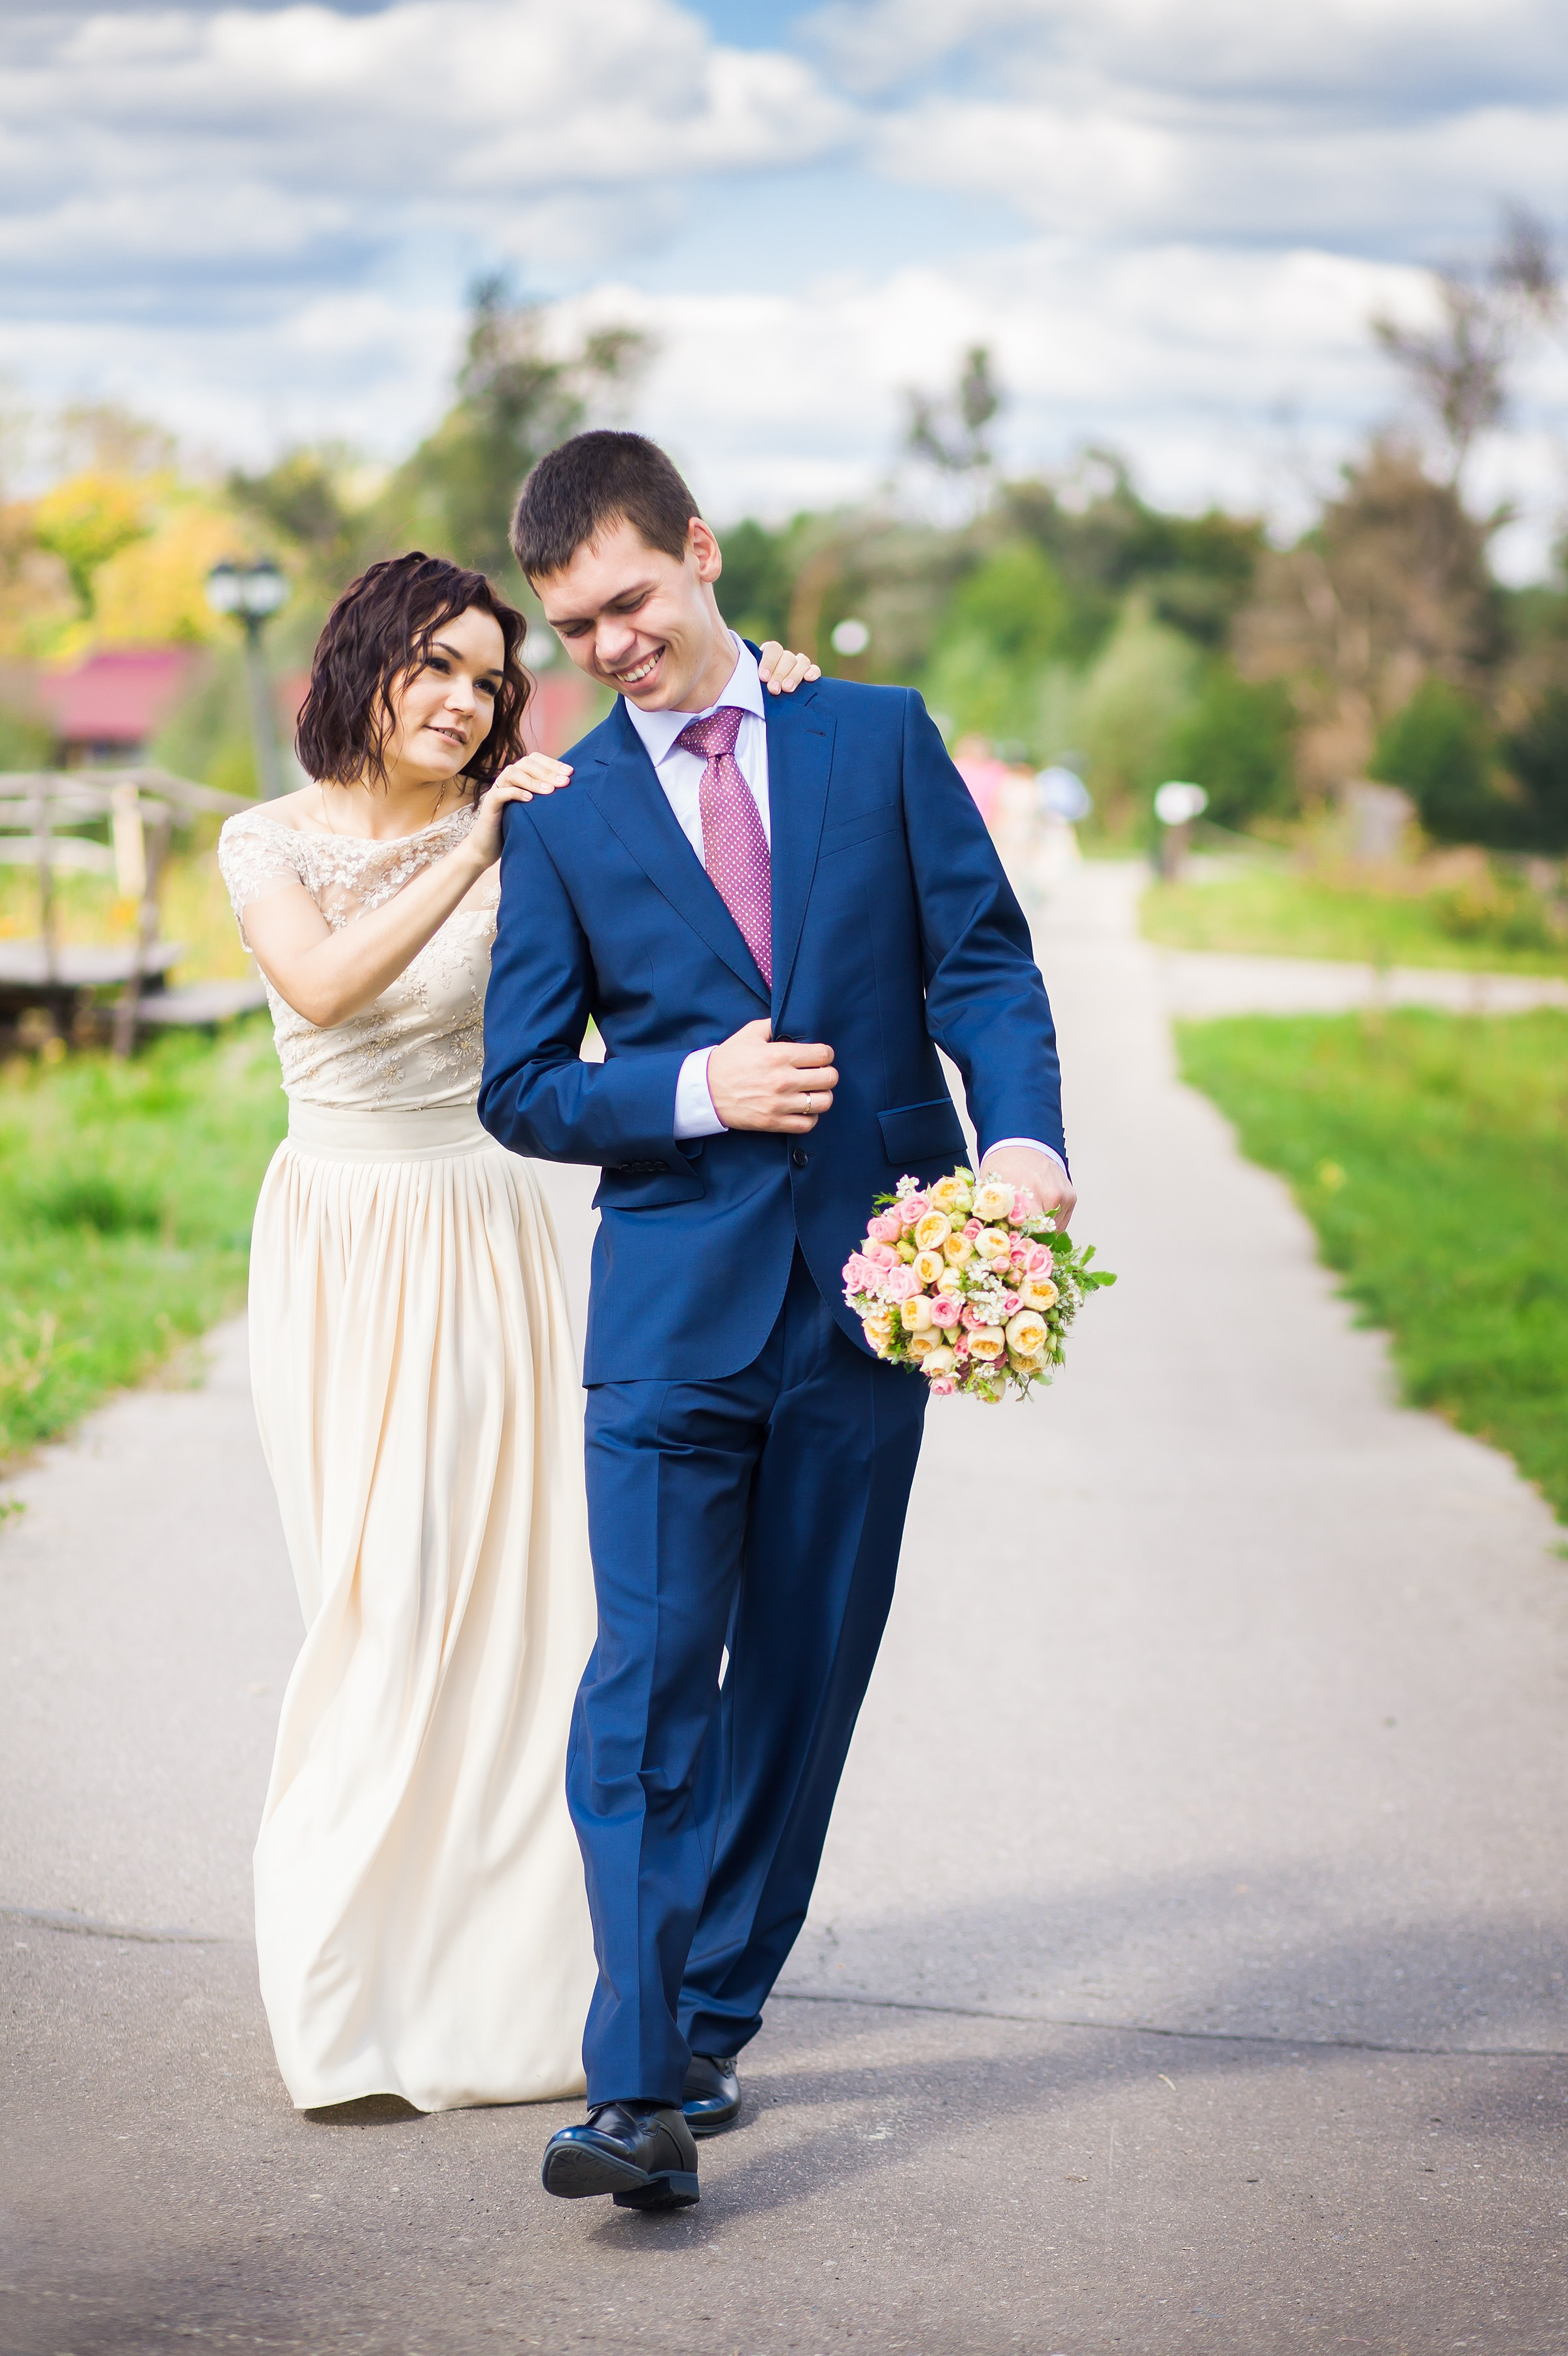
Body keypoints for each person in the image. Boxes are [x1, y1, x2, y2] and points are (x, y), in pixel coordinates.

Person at [479, 432, 1074, 2209]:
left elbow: (981, 962)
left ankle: (708, 2016)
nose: (610, 647)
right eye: (574, 627)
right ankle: (634, 2083)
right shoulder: (561, 812)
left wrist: (1022, 1137)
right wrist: (691, 1090)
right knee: (647, 1682)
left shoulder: (871, 737)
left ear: (700, 550)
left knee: (801, 1678)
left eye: (629, 602)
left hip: (868, 1297)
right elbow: (521, 1083)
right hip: (670, 1311)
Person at [216, 549, 817, 2115]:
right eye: (433, 665)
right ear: (365, 663)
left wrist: (775, 697)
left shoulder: (542, 816)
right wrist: (474, 840)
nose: (460, 700)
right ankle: (350, 1987)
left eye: (487, 679)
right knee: (375, 1600)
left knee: (524, 1607)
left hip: (480, 1236)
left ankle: (520, 1990)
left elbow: (672, 893)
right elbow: (322, 988)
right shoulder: (265, 838)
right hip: (338, 1241)